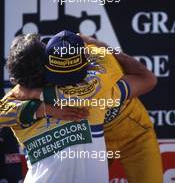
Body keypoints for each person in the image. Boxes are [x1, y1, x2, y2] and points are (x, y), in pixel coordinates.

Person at [1, 31, 163, 183]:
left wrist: (42, 98)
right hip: (98, 141)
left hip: (134, 136)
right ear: (48, 66)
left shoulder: (100, 60)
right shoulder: (30, 87)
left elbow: (146, 80)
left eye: (74, 76)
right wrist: (46, 107)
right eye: (58, 76)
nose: (66, 82)